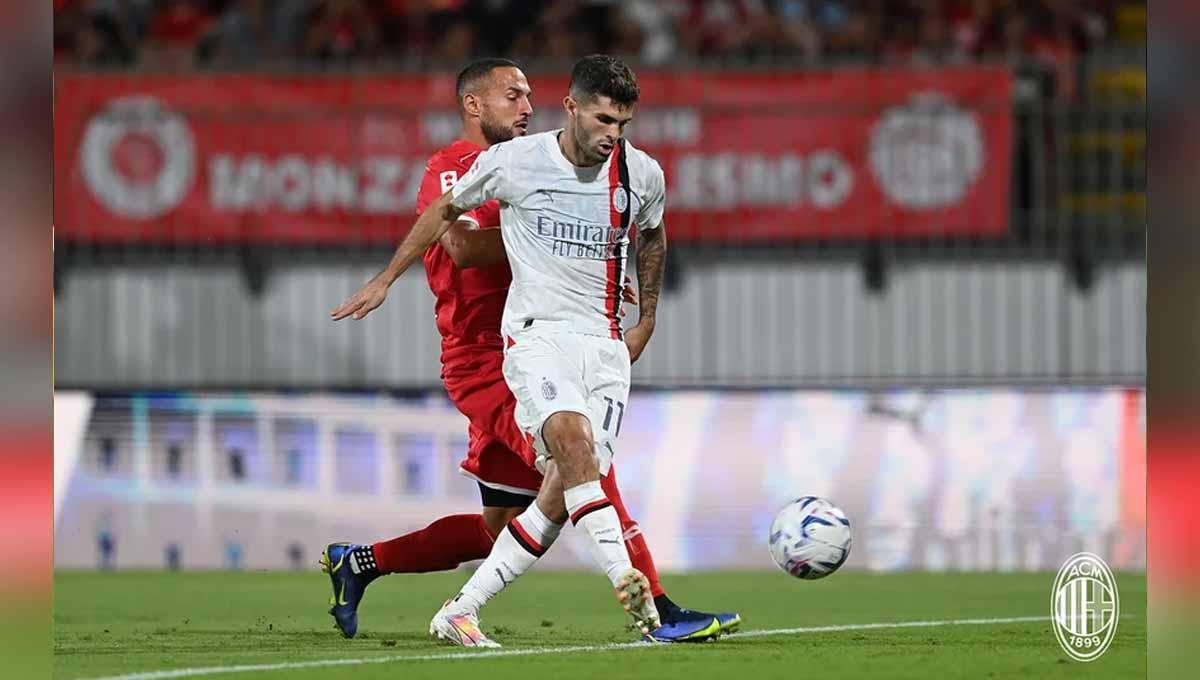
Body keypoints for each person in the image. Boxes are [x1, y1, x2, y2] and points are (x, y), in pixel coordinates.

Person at [324, 57, 738, 645]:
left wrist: (589, 255)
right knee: (582, 462)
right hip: (485, 357)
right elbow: (462, 248)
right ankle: (659, 608)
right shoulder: (453, 167)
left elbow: (637, 229)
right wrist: (561, 238)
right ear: (473, 105)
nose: (526, 107)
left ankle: (361, 563)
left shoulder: (578, 166)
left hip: (554, 343)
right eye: (512, 96)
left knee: (502, 526)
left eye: (529, 96)